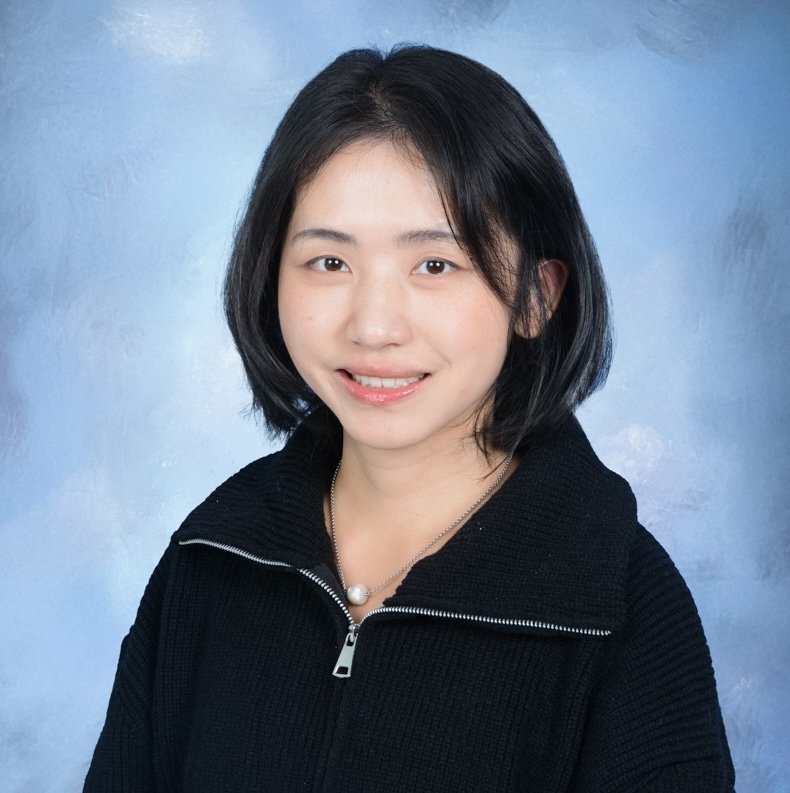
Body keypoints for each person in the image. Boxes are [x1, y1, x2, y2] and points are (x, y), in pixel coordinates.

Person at [84, 45, 735, 791]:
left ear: (536, 296)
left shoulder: (623, 610)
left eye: (435, 265)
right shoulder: (211, 558)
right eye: (330, 262)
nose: (373, 326)